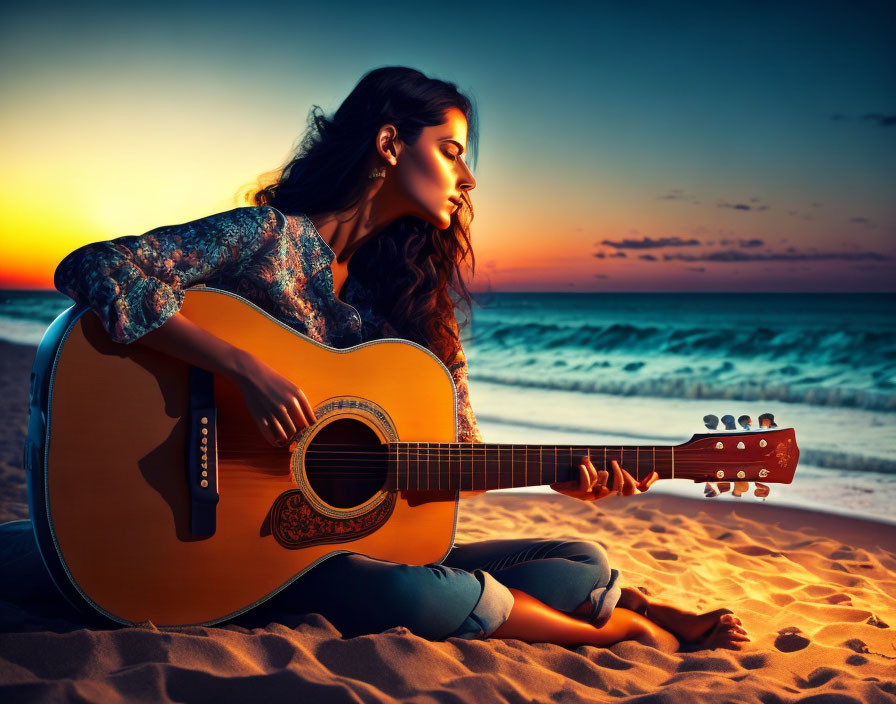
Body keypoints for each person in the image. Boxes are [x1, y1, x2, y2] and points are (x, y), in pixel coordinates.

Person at [40, 66, 748, 651]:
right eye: (453, 149)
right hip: (236, 547)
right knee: (405, 590)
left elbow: (457, 460)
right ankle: (609, 633)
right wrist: (241, 368)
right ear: (388, 142)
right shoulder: (267, 239)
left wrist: (568, 480)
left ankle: (608, 609)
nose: (467, 178)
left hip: (343, 546)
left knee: (578, 560)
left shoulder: (412, 305)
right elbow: (95, 266)